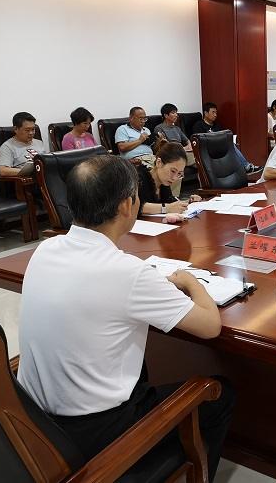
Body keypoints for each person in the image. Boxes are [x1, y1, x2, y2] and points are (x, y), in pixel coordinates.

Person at [17, 154, 235, 482]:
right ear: (126, 205)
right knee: (221, 392)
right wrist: (191, 282)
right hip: (97, 432)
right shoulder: (128, 273)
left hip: (36, 424)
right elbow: (210, 326)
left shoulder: (46, 249)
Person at [137, 141, 201, 223]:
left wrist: (187, 204)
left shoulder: (164, 184)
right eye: (172, 171)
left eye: (179, 174)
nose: (174, 178)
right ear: (159, 162)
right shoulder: (139, 179)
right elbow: (135, 205)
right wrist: (166, 208)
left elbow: (171, 204)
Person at [192, 102, 263, 174]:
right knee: (230, 146)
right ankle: (247, 167)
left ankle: (241, 172)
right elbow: (197, 141)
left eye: (216, 112)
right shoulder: (198, 125)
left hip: (218, 147)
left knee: (231, 145)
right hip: (207, 149)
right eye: (213, 112)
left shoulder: (217, 125)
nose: (215, 115)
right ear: (206, 113)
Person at [151, 103, 196, 197]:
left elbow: (188, 141)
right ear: (166, 115)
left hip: (183, 153)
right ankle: (173, 197)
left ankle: (206, 188)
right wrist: (183, 148)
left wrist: (188, 146)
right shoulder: (159, 128)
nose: (176, 115)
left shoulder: (177, 128)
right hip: (172, 154)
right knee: (177, 169)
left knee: (201, 161)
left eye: (176, 112)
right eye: (173, 113)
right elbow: (163, 146)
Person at [0, 111, 48, 176]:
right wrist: (29, 171)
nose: (31, 133)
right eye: (27, 130)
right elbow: (3, 171)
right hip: (27, 179)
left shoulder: (39, 143)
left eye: (33, 129)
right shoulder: (7, 147)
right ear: (16, 129)